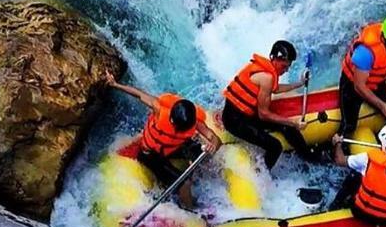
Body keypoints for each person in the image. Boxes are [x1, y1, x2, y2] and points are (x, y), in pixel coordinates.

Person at [106, 73, 221, 209]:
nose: (177, 130)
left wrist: (212, 145)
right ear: (172, 118)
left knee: (202, 153)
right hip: (150, 154)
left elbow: (215, 139)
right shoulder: (159, 109)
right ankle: (191, 210)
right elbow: (139, 94)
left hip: (174, 147)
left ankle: (209, 184)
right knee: (184, 183)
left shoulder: (194, 121)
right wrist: (116, 85)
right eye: (176, 127)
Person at [222, 40, 316, 170]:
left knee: (287, 128)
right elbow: (264, 114)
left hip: (245, 113)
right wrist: (294, 123)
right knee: (275, 146)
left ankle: (309, 158)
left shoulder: (267, 72)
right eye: (284, 66)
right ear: (275, 59)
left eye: (288, 67)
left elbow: (275, 89)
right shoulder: (266, 77)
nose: (286, 70)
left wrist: (299, 83)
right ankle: (261, 175)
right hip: (235, 120)